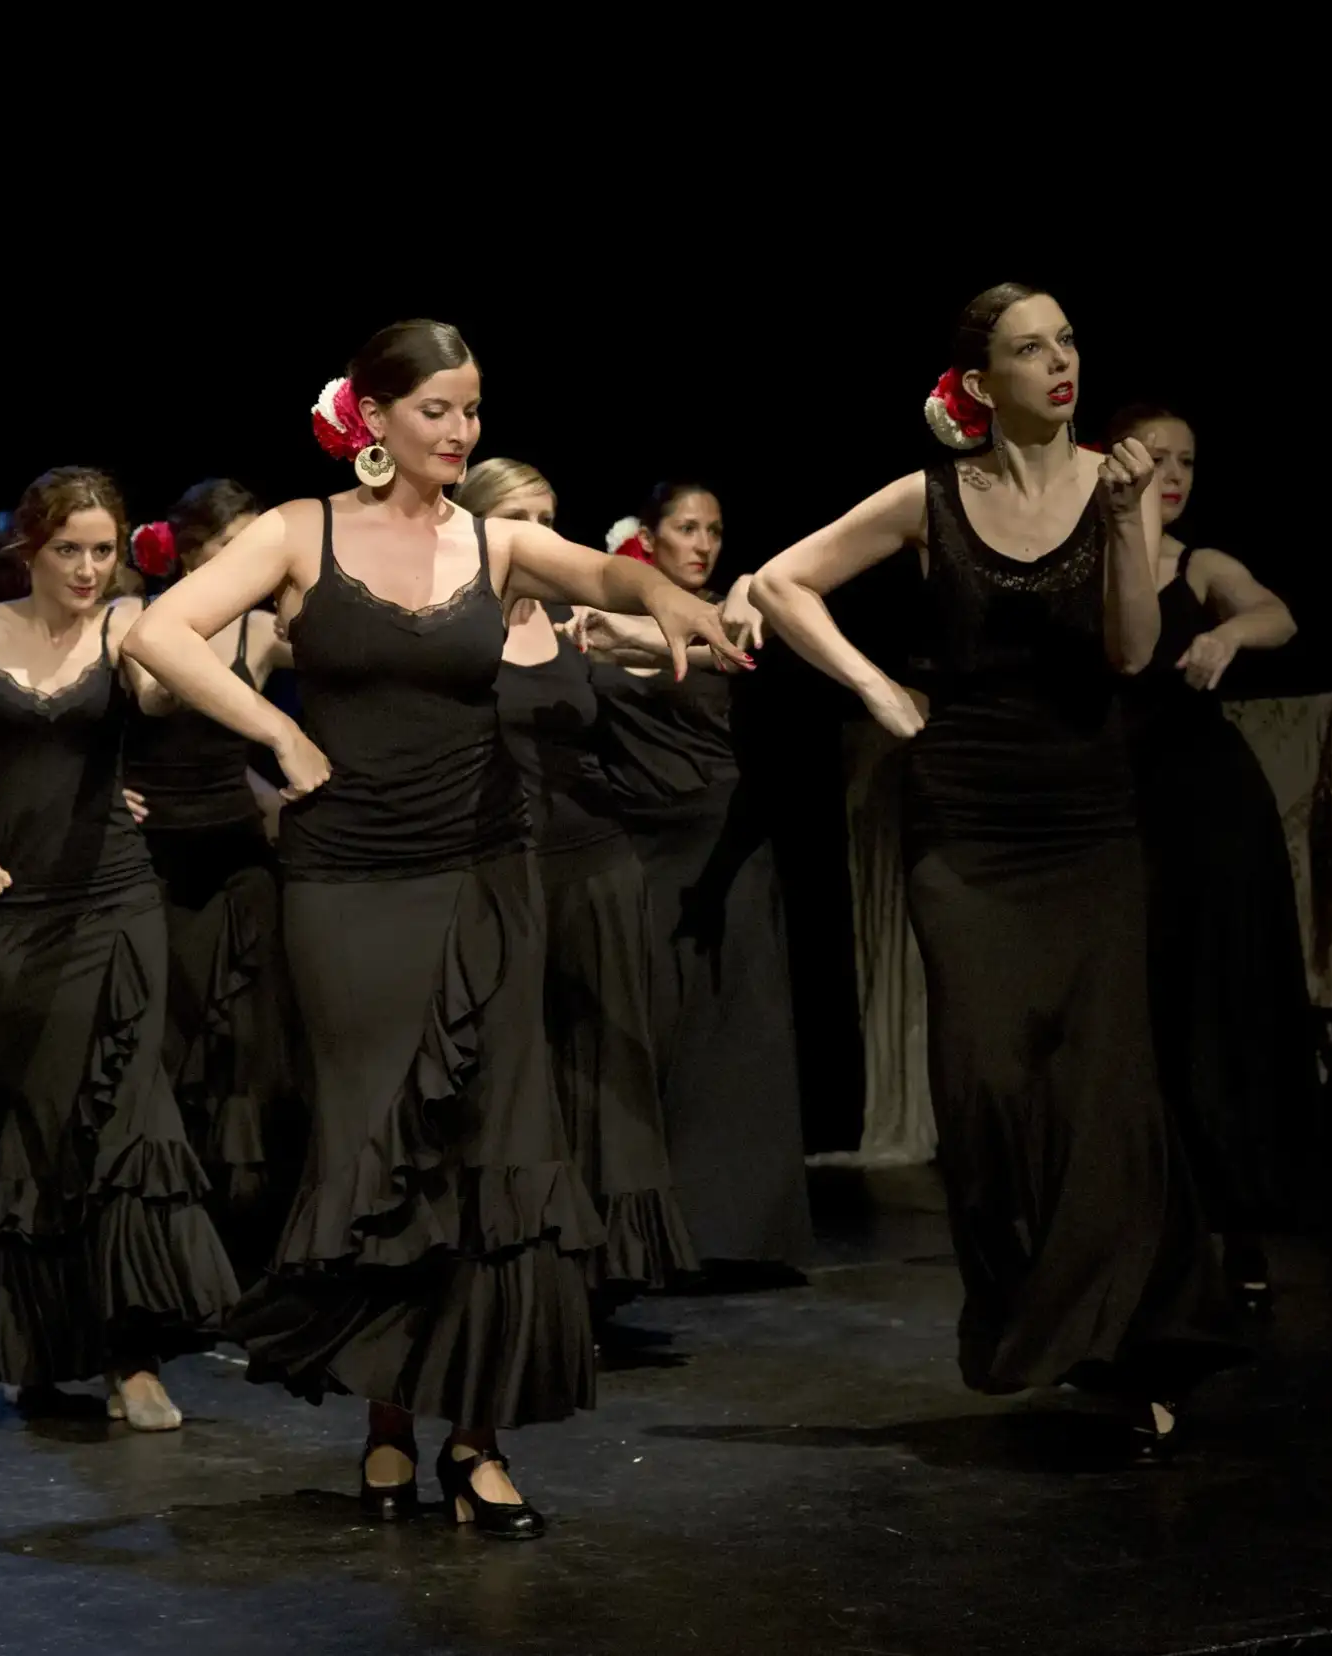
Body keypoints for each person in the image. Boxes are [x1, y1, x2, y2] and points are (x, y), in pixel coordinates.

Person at [124, 321, 740, 1536]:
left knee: (492, 1144)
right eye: (437, 411)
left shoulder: (492, 537)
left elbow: (605, 575)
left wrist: (668, 596)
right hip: (346, 880)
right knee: (373, 1142)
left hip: (482, 872)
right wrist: (280, 734)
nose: (459, 432)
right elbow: (156, 634)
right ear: (376, 415)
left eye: (471, 412)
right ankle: (388, 1421)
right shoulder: (297, 533)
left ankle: (477, 1435)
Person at [748, 283, 1246, 1456]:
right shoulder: (930, 499)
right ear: (978, 385)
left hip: (1085, 819)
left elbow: (1129, 652)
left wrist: (1127, 525)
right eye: (1031, 348)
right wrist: (876, 689)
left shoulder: (1108, 491)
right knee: (984, 1085)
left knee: (1103, 1089)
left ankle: (1128, 1343)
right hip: (965, 825)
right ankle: (1039, 1317)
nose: (1061, 362)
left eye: (1067, 340)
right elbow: (779, 584)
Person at [0, 468, 239, 1431]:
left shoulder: (126, 628)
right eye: (67, 548)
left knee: (121, 1118)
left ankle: (132, 1355)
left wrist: (235, 617)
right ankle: (44, 1350)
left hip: (116, 901)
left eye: (103, 550)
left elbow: (163, 696)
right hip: (13, 914)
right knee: (41, 1128)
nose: (85, 567)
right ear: (29, 547)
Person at [457, 461, 697, 1297]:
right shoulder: (454, 629)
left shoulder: (572, 617)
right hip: (504, 874)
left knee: (608, 1072)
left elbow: (696, 649)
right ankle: (534, 1261)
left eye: (550, 516)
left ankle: (606, 1271)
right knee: (524, 1073)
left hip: (595, 864)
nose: (542, 535)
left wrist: (659, 634)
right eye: (522, 518)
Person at [1108, 403, 1315, 1308]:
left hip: (1211, 810)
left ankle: (1240, 1224)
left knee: (1217, 1007)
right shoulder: (1091, 569)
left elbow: (1276, 614)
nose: (1177, 473)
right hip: (1117, 809)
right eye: (1159, 457)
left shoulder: (1202, 566)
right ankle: (1147, 1218)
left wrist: (1228, 633)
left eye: (1189, 459)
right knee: (1136, 1014)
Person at [578, 483, 813, 1277]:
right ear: (649, 535)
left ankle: (736, 1235)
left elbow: (727, 652)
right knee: (647, 1032)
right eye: (687, 528)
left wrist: (615, 638)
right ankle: (648, 1237)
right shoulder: (598, 602)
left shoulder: (737, 602)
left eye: (714, 528)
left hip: (721, 840)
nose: (704, 543)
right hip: (634, 838)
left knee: (733, 1033)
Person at [122, 480, 296, 1269]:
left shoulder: (262, 629)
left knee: (251, 1053)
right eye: (231, 551)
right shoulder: (140, 620)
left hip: (237, 860)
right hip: (160, 861)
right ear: (190, 555)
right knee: (169, 1048)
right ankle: (171, 1244)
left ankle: (247, 1242)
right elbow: (156, 696)